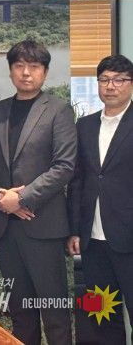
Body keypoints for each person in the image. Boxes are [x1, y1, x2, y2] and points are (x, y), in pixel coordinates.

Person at [0, 40, 75, 345]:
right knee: (20, 313)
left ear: (45, 72)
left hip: (42, 225)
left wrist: (22, 198)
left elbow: (64, 166)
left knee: (55, 313)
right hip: (5, 228)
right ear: (10, 71)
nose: (26, 73)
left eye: (34, 66)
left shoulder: (58, 110)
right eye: (19, 66)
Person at [68, 54, 133, 344]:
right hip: (93, 243)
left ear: (131, 84)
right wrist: (74, 230)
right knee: (100, 315)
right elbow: (77, 181)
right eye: (104, 79)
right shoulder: (84, 125)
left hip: (129, 240)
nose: (111, 86)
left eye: (119, 80)